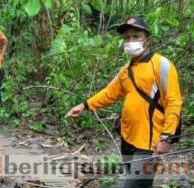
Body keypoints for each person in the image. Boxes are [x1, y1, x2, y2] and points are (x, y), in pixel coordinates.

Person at [66, 16, 182, 188]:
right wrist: (84, 105)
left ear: (147, 40)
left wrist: (166, 138)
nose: (131, 41)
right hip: (128, 139)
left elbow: (174, 102)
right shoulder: (126, 70)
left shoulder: (162, 65)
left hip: (149, 143)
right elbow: (110, 93)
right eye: (127, 37)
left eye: (136, 36)